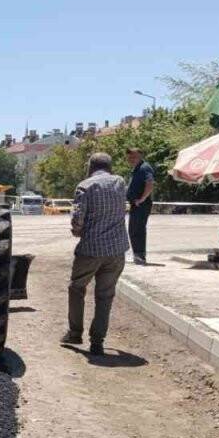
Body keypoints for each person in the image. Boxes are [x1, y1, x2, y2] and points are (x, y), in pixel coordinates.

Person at [63, 152, 130, 355]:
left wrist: (77, 230)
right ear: (109, 167)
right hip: (117, 250)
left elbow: (77, 220)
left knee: (77, 288)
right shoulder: (120, 182)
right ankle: (97, 342)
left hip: (91, 250)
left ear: (90, 166)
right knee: (105, 295)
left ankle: (75, 333)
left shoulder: (85, 186)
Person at [126, 148, 155, 264]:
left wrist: (142, 199)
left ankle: (140, 256)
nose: (131, 159)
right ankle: (137, 255)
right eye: (129, 157)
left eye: (134, 157)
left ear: (140, 155)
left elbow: (150, 183)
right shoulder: (137, 169)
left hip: (141, 205)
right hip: (136, 204)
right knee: (133, 229)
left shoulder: (145, 167)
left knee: (138, 230)